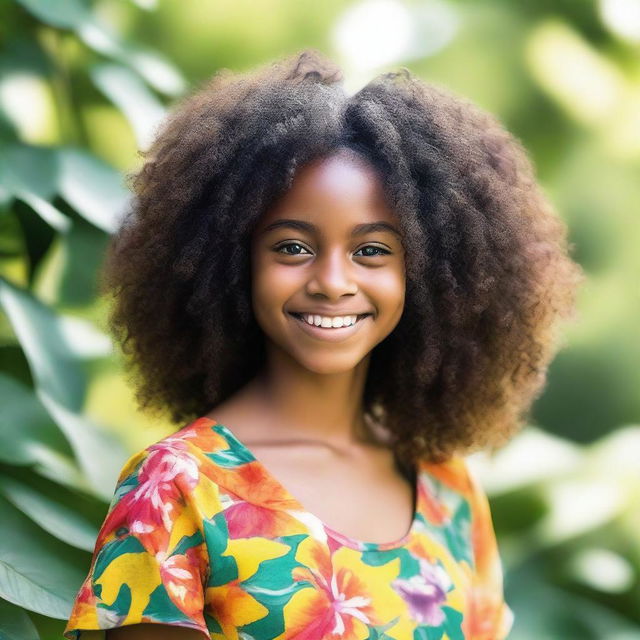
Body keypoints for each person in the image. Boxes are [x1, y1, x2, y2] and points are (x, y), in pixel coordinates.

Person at [63, 48, 584, 640]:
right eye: (292, 247)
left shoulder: (449, 491)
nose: (333, 282)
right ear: (233, 263)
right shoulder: (178, 487)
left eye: (372, 251)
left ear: (431, 274)